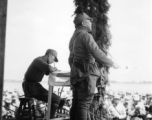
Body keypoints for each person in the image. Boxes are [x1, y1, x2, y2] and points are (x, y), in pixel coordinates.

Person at [68, 12, 119, 120]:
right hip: (87, 74)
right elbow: (96, 52)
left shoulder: (74, 37)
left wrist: (76, 69)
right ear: (83, 23)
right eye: (89, 21)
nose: (91, 22)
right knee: (84, 105)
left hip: (76, 74)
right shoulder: (86, 35)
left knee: (76, 103)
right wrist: (111, 63)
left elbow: (71, 58)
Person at [22, 49, 60, 118]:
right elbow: (49, 68)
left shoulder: (42, 63)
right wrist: (54, 69)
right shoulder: (38, 60)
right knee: (56, 99)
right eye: (53, 59)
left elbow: (47, 70)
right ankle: (50, 118)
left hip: (33, 86)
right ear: (50, 55)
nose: (53, 62)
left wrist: (50, 70)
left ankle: (49, 116)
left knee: (59, 100)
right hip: (30, 86)